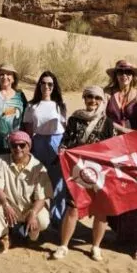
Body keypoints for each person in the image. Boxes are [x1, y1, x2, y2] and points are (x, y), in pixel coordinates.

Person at [51, 85, 113, 262]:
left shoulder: (107, 123)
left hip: (99, 172)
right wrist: (63, 150)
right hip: (77, 170)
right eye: (89, 97)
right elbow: (66, 140)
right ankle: (64, 245)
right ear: (84, 99)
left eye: (97, 98)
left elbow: (111, 148)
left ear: (102, 101)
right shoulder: (74, 119)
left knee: (101, 209)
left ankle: (96, 246)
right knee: (73, 207)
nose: (93, 101)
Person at [104, 59, 137, 260]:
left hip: (134, 150)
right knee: (115, 191)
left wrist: (117, 128)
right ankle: (121, 234)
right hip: (112, 150)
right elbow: (100, 117)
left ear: (133, 76)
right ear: (115, 75)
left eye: (128, 72)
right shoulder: (108, 94)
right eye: (120, 72)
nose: (124, 75)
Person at [0, 130, 52, 254]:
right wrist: (6, 205)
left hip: (29, 208)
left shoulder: (38, 167)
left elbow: (41, 198)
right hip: (10, 206)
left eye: (22, 145)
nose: (18, 148)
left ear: (29, 146)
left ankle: (32, 237)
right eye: (14, 145)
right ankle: (5, 237)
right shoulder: (1, 161)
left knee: (43, 219)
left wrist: (33, 213)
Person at [23, 71, 67, 227]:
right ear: (39, 85)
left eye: (50, 84)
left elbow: (65, 127)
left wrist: (62, 147)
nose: (46, 86)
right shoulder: (32, 105)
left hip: (56, 142)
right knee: (36, 182)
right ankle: (34, 218)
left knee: (58, 183)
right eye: (43, 83)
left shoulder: (60, 105)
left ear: (54, 86)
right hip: (38, 143)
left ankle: (58, 221)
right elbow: (28, 129)